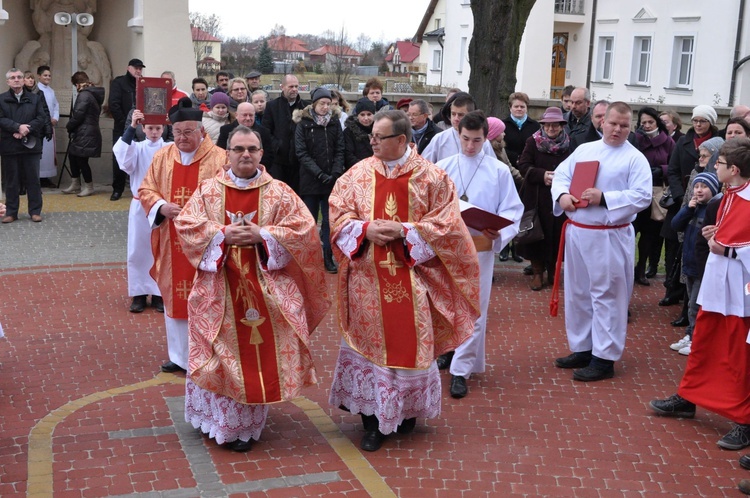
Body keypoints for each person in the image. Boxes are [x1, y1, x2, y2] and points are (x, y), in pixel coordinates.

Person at [328, 109, 480, 451]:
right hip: (366, 282)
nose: (372, 142)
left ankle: (406, 412)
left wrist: (405, 230)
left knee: (409, 347)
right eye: (371, 137)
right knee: (370, 350)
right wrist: (365, 229)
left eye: (378, 138)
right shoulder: (358, 174)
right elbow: (338, 214)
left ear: (401, 140)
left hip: (414, 281)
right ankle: (372, 422)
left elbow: (448, 227)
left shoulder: (432, 178)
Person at [174, 125, 331, 452]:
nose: (246, 154)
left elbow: (305, 232)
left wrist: (265, 235)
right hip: (218, 288)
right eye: (239, 149)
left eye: (252, 149)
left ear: (261, 153)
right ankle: (215, 419)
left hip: (267, 289)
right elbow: (187, 226)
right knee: (217, 354)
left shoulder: (280, 192)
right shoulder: (207, 190)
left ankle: (243, 427)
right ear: (227, 152)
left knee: (254, 357)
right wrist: (221, 235)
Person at [649, 138, 750, 453]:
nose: (711, 167)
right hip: (716, 286)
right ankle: (689, 396)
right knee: (704, 342)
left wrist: (729, 251)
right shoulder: (726, 196)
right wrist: (714, 236)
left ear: (733, 169)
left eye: (717, 164)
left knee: (737, 354)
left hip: (740, 294)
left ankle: (744, 421)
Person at [550, 101, 651, 382]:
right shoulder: (585, 150)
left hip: (610, 233)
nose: (617, 129)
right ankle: (583, 347)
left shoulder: (634, 158)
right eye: (613, 123)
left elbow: (643, 196)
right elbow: (561, 175)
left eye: (624, 125)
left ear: (630, 127)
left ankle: (605, 357)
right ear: (602, 122)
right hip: (578, 230)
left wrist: (605, 197)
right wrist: (562, 196)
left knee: (607, 295)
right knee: (578, 292)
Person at [437, 111, 523, 398]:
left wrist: (502, 232)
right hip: (448, 249)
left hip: (481, 250)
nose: (470, 146)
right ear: (457, 134)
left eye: (477, 140)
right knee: (446, 305)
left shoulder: (498, 171)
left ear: (487, 138)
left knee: (474, 309)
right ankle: (449, 351)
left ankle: (461, 371)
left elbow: (512, 210)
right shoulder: (443, 167)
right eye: (465, 139)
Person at [137, 98, 226, 373]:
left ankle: (207, 353)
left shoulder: (220, 159)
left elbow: (228, 196)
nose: (181, 138)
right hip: (171, 239)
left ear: (202, 132)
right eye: (176, 132)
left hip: (205, 243)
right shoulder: (163, 156)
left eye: (188, 132)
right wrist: (161, 207)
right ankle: (178, 355)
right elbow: (146, 190)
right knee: (174, 297)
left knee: (207, 299)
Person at [661, 106, 720, 307]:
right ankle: (672, 289)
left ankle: (689, 305)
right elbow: (674, 170)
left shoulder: (716, 145)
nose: (698, 124)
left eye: (703, 121)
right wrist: (679, 197)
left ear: (710, 123)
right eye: (695, 120)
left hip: (704, 201)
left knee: (695, 249)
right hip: (683, 201)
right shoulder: (684, 142)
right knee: (674, 247)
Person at [113, 109, 168, 313]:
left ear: (164, 128)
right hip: (140, 205)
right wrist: (132, 126)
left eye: (158, 128)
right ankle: (138, 293)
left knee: (160, 249)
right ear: (143, 129)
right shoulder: (136, 148)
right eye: (150, 128)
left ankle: (159, 294)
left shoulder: (170, 149)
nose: (154, 132)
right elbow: (122, 157)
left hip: (161, 206)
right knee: (138, 249)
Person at [516, 107, 572, 290]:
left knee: (556, 236)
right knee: (537, 236)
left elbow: (575, 167)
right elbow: (523, 165)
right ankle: (538, 273)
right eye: (548, 125)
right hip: (537, 196)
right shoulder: (533, 142)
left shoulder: (570, 143)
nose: (551, 128)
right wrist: (542, 175)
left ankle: (553, 271)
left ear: (561, 125)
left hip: (559, 198)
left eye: (555, 125)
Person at [668, 172, 720, 356]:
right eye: (696, 186)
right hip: (688, 264)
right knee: (690, 301)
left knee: (696, 305)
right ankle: (690, 334)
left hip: (702, 267)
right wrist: (687, 209)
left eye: (704, 187)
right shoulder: (694, 208)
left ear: (713, 189)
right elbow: (675, 225)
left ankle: (696, 338)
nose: (698, 190)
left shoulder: (713, 210)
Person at [294, 87, 345, 274]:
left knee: (329, 222)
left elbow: (340, 148)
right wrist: (319, 174)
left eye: (329, 104)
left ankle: (327, 256)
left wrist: (335, 172)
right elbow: (302, 153)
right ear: (314, 104)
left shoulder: (334, 122)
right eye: (322, 104)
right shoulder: (303, 124)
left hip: (331, 180)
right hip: (311, 180)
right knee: (310, 221)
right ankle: (309, 257)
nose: (326, 107)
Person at [632, 107, 675, 286]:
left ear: (657, 122)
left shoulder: (668, 142)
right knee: (631, 231)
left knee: (649, 236)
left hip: (656, 193)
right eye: (643, 123)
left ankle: (641, 269)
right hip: (636, 192)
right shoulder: (635, 140)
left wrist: (661, 170)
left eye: (650, 122)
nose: (647, 126)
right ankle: (627, 268)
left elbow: (674, 164)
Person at [0, 68, 47, 224]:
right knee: (11, 180)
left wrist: (26, 129)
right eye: (13, 78)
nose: (17, 80)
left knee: (33, 179)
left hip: (31, 145)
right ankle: (11, 212)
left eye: (19, 77)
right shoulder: (1, 99)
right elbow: (1, 119)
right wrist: (16, 127)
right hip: (9, 145)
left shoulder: (35, 98)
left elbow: (41, 117)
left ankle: (35, 211)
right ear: (8, 81)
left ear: (23, 80)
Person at [61, 71, 103, 198]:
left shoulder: (85, 95)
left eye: (75, 85)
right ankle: (76, 184)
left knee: (81, 160)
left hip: (85, 132)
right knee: (73, 156)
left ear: (77, 84)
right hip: (86, 132)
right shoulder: (91, 93)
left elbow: (78, 115)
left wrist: (69, 126)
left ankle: (88, 186)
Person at [421, 92, 494, 163]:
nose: (456, 118)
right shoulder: (439, 139)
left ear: (471, 114)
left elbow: (492, 168)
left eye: (461, 115)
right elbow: (424, 166)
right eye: (453, 114)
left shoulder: (482, 142)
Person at [263, 74, 307, 190]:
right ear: (282, 87)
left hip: (299, 161)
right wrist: (278, 146)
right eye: (291, 86)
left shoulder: (305, 107)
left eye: (296, 86)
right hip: (278, 161)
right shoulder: (272, 106)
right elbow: (266, 131)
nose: (294, 90)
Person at [108, 58, 144, 201]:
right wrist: (127, 123)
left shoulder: (143, 83)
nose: (138, 70)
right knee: (119, 157)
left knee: (141, 155)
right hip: (123, 126)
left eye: (140, 68)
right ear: (128, 68)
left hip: (142, 127)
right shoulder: (119, 82)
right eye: (136, 68)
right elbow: (114, 104)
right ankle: (118, 189)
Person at [216, 102, 274, 171]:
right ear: (236, 115)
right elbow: (220, 153)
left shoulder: (264, 132)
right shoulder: (226, 130)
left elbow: (268, 156)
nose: (248, 118)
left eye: (251, 115)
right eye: (245, 115)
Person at [502, 92, 540, 168]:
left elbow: (538, 147)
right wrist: (516, 158)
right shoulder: (503, 125)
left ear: (527, 108)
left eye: (522, 107)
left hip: (530, 167)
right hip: (508, 166)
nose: (519, 109)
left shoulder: (535, 125)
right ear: (510, 108)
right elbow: (500, 148)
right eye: (516, 106)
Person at [36, 65, 59, 186]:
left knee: (49, 154)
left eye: (49, 75)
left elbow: (56, 106)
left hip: (50, 126)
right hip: (40, 127)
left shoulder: (51, 91)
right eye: (45, 75)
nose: (47, 77)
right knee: (41, 153)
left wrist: (55, 118)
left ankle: (46, 178)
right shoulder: (35, 91)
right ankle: (38, 178)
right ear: (39, 76)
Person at [343, 97, 374, 170]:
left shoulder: (379, 130)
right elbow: (348, 155)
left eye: (369, 114)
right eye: (362, 115)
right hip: (356, 170)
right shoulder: (348, 132)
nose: (366, 118)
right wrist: (365, 167)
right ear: (357, 116)